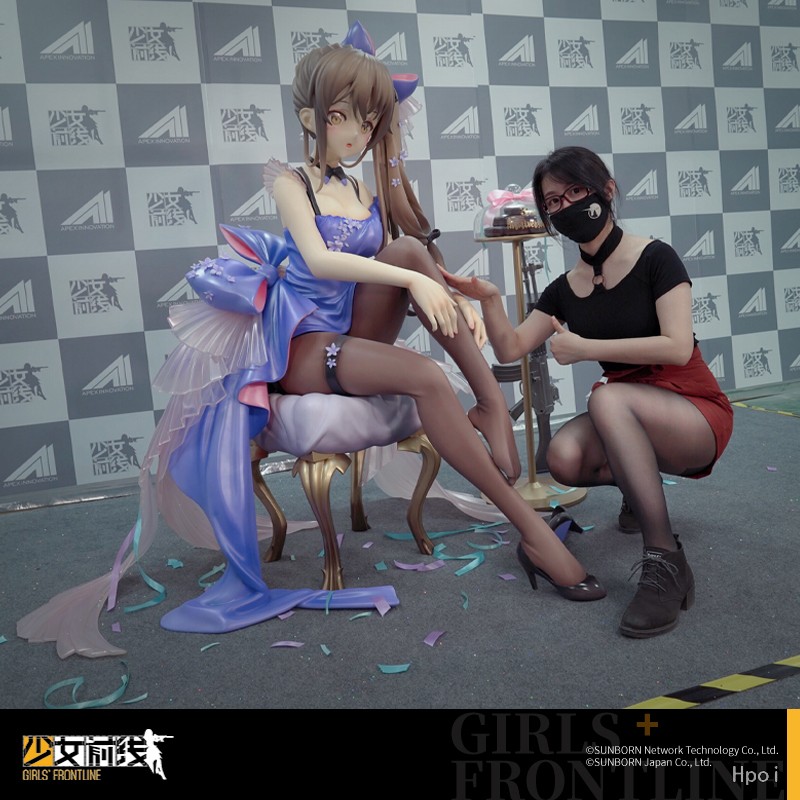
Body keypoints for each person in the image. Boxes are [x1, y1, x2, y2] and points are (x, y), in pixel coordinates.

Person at [16, 27, 602, 661]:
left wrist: (442, 287)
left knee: (409, 248)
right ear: (311, 117)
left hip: (350, 331)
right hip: (301, 347)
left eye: (371, 119)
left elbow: (400, 258)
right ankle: (529, 528)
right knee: (427, 372)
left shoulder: (360, 189)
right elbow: (321, 262)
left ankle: (489, 405)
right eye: (346, 116)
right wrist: (413, 281)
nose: (360, 132)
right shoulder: (291, 182)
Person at [441, 146, 733, 638]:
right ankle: (636, 491)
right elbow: (511, 347)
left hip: (693, 408)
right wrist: (490, 299)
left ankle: (665, 560)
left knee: (606, 397)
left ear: (606, 191)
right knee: (563, 457)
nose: (565, 206)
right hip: (625, 409)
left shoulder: (655, 257)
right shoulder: (565, 288)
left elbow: (678, 346)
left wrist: (586, 348)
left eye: (575, 191)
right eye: (553, 202)